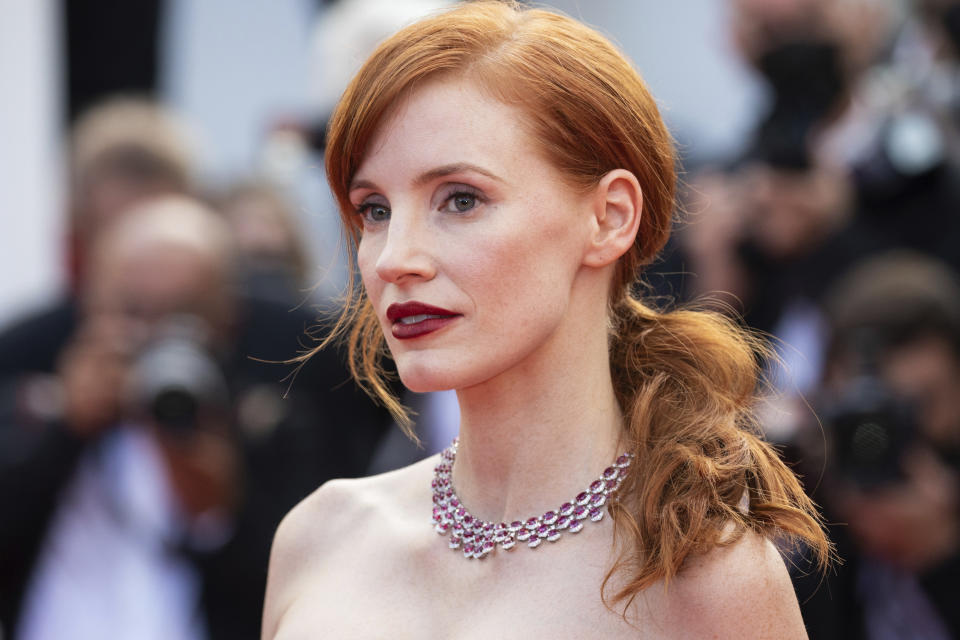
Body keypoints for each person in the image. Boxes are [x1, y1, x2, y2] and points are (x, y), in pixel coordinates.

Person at [262, 2, 830, 637]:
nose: (394, 259)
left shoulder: (706, 578)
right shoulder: (318, 538)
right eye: (374, 210)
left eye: (460, 199)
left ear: (610, 216)